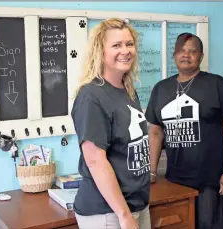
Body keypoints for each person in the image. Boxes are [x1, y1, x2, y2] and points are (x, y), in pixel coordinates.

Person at [145, 32, 223, 229]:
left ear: (201, 57)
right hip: (175, 180)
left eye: (192, 51)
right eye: (181, 50)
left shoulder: (217, 85)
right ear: (174, 55)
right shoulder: (161, 89)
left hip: (211, 181)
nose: (186, 55)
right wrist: (151, 171)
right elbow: (155, 133)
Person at [71, 18, 151, 229]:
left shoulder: (128, 90)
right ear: (101, 51)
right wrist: (124, 215)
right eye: (116, 45)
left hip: (137, 205)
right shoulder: (91, 96)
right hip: (108, 212)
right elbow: (95, 161)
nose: (125, 51)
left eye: (129, 44)